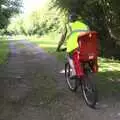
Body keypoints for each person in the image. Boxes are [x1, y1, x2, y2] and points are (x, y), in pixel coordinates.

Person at [56, 13, 90, 79]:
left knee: (69, 56)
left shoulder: (68, 25)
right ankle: (86, 68)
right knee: (83, 57)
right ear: (77, 19)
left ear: (70, 20)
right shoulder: (85, 25)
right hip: (85, 47)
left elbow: (62, 38)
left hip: (73, 46)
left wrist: (58, 47)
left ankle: (74, 71)